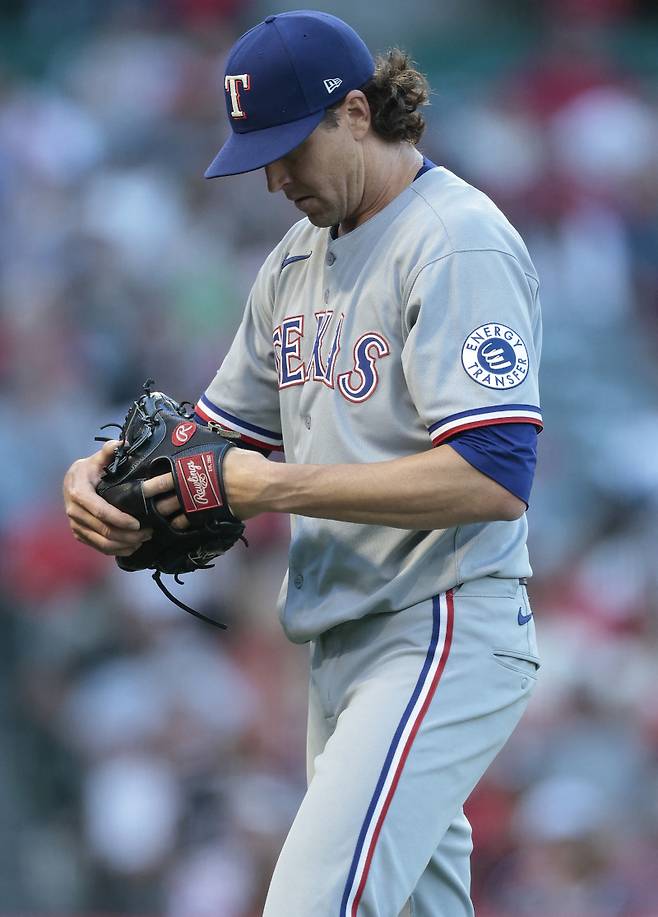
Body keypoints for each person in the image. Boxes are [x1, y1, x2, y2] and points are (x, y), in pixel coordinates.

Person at [63, 10, 543, 916]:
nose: (275, 178)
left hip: (438, 628)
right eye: (260, 154)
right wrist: (96, 477)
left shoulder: (455, 241)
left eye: (290, 148)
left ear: (357, 114)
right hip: (339, 644)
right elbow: (213, 437)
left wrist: (274, 485)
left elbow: (493, 478)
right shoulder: (295, 260)